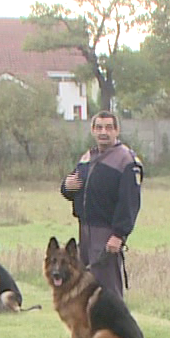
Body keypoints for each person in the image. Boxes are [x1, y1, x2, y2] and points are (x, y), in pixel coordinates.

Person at [59, 109, 143, 301]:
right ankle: (91, 330)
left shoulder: (126, 160)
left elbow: (130, 203)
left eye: (108, 128)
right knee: (84, 288)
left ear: (117, 131)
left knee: (108, 290)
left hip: (106, 233)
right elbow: (72, 189)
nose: (103, 132)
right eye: (99, 127)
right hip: (85, 231)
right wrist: (66, 186)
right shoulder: (87, 157)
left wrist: (119, 235)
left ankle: (116, 329)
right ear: (93, 130)